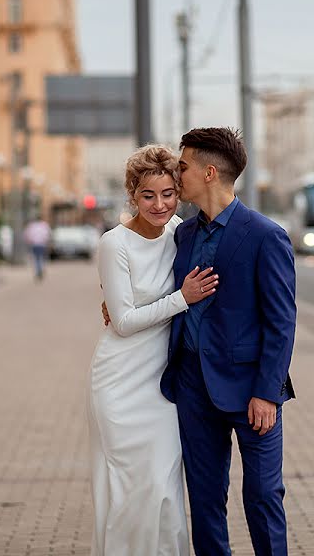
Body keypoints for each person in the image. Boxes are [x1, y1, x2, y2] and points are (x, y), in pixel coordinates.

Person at [162, 127, 297, 556]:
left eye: (182, 166)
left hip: (250, 390)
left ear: (208, 172)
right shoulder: (182, 234)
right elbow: (163, 292)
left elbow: (281, 322)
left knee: (261, 497)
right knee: (204, 502)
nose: (175, 173)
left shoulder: (265, 235)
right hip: (192, 386)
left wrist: (266, 393)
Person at [88, 144, 219, 556]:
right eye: (148, 195)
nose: (159, 204)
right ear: (132, 195)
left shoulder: (180, 232)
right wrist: (182, 298)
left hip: (163, 384)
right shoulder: (115, 243)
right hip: (120, 381)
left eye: (167, 194)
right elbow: (124, 323)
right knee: (128, 488)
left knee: (163, 485)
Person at [23, 215, 51, 280]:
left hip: (34, 244)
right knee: (41, 257)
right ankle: (40, 269)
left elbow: (26, 234)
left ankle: (38, 270)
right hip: (42, 244)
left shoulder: (31, 226)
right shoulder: (44, 225)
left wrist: (29, 240)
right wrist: (47, 241)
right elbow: (48, 234)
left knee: (36, 258)